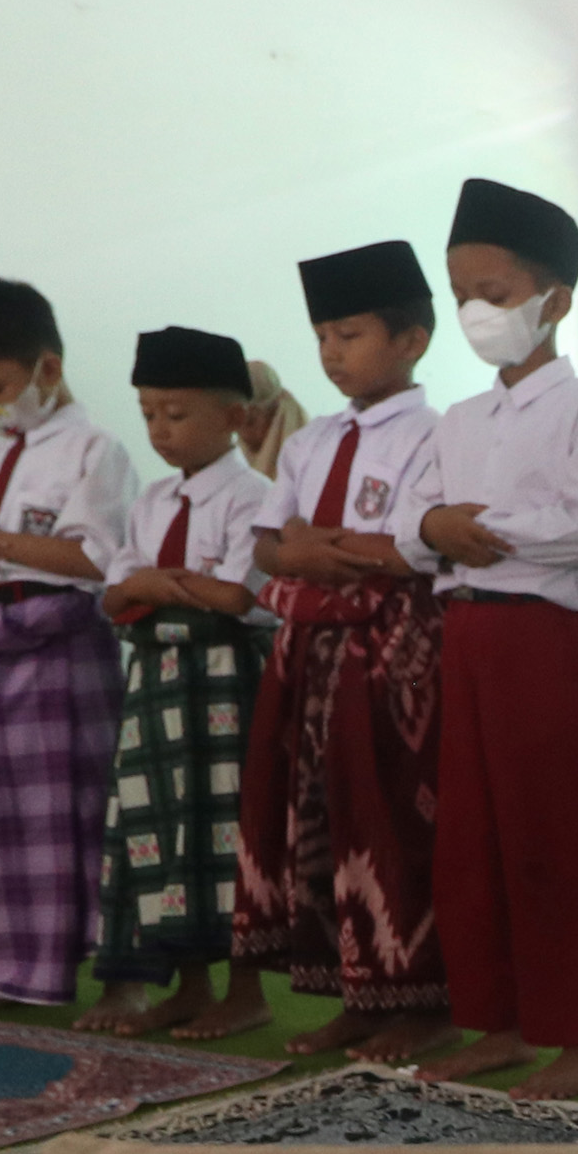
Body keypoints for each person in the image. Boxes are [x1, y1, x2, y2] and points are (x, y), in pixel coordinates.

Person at [393, 178, 578, 1099]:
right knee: (473, 839)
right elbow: (415, 524)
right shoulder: (459, 420)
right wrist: (438, 530)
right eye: (463, 296)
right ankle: (496, 1024)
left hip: (548, 641)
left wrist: (467, 528)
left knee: (557, 838)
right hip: (469, 639)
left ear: (554, 300)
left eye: (493, 295)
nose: (475, 314)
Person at [234, 242, 446, 1062]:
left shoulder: (436, 433)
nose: (330, 352)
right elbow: (269, 547)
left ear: (411, 340)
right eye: (322, 335)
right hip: (309, 662)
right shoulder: (309, 441)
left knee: (392, 823)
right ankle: (357, 996)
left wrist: (317, 549)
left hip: (394, 665)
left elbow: (411, 552)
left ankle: (423, 1002)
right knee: (313, 820)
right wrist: (326, 551)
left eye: (349, 333)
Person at [0, 278, 129, 1012]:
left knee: (74, 818)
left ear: (47, 366)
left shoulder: (94, 451)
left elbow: (101, 560)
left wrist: (3, 544)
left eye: (0, 384)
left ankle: (111, 978)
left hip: (56, 650)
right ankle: (1, 972)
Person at [79, 326, 274, 1039]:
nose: (161, 430)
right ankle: (190, 983)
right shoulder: (153, 499)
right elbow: (112, 596)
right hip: (156, 682)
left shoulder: (255, 496)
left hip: (224, 682)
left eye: (178, 413)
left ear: (234, 418)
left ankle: (245, 989)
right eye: (149, 413)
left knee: (229, 830)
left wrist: (154, 586)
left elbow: (236, 599)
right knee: (159, 830)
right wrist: (166, 586)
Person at [234, 358, 307, 481]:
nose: (240, 431)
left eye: (250, 421)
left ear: (275, 415)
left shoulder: (308, 463)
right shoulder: (231, 469)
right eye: (236, 420)